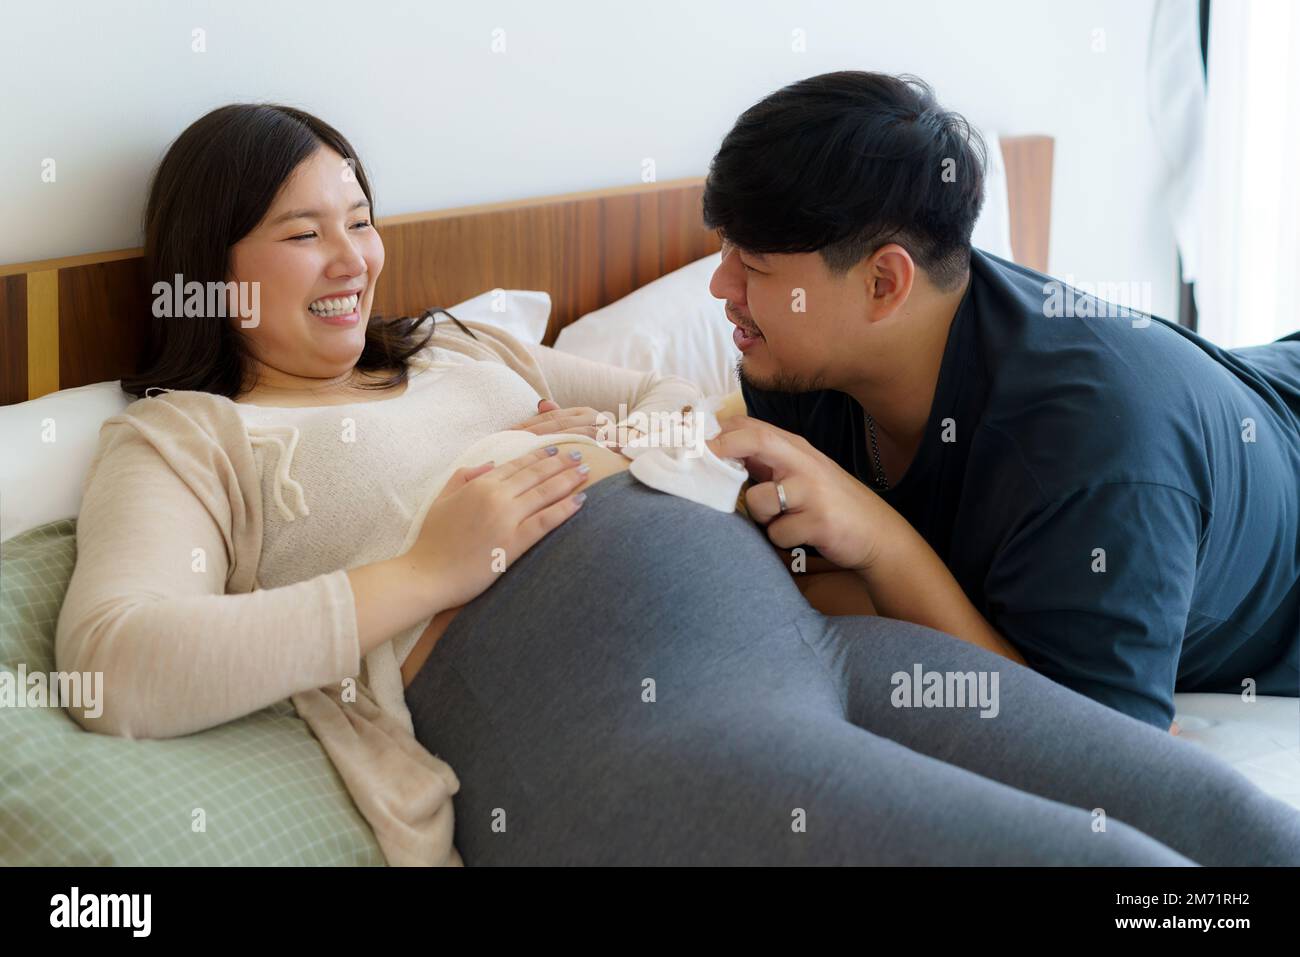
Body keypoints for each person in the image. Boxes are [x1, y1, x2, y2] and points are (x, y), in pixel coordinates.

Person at [57, 102, 1300, 867]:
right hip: (629, 718)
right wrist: (424, 571)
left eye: (361, 217)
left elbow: (674, 409)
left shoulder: (460, 344)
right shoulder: (190, 440)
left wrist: (614, 447)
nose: (355, 259)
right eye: (301, 231)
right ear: (207, 267)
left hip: (817, 645)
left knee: (1232, 829)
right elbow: (117, 662)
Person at [702, 70, 1300, 734]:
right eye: (725, 247)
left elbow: (1106, 754)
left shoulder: (1092, 454)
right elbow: (794, 573)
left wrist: (885, 546)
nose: (719, 284)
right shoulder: (793, 362)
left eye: (753, 265)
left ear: (883, 282)